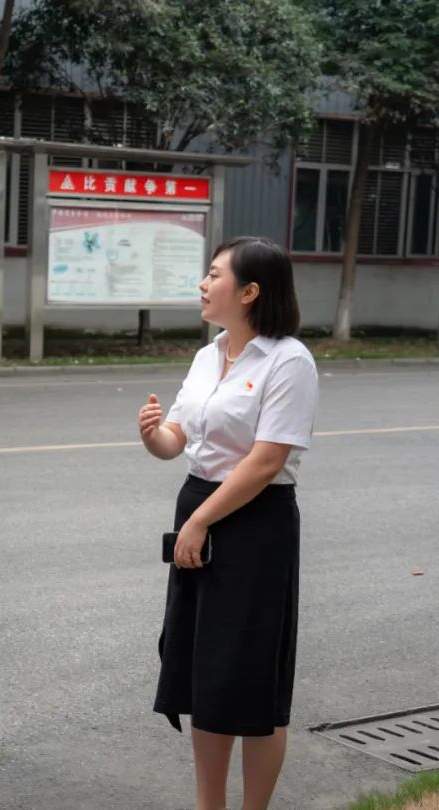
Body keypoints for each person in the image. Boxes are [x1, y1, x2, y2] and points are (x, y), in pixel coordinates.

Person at [137, 236, 318, 810]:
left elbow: (266, 461)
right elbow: (178, 439)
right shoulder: (208, 355)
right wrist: (154, 436)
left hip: (255, 522)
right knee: (206, 673)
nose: (203, 283)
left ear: (250, 291)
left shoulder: (289, 360)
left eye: (215, 274)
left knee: (253, 678)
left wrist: (200, 523)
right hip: (200, 506)